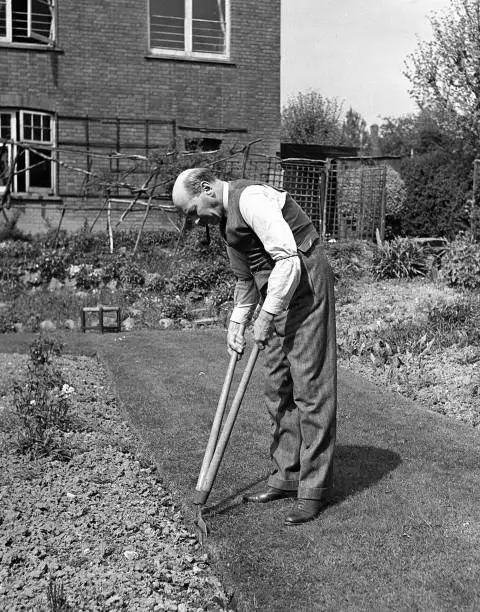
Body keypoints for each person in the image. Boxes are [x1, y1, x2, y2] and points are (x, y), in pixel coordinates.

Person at [172, 168, 337, 526]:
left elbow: (289, 260)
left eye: (191, 211)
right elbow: (247, 280)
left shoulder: (251, 200)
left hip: (304, 279)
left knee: (309, 385)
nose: (193, 221)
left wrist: (265, 319)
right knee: (277, 386)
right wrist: (237, 325)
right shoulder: (225, 225)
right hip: (275, 290)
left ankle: (313, 490)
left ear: (206, 189)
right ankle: (285, 476)